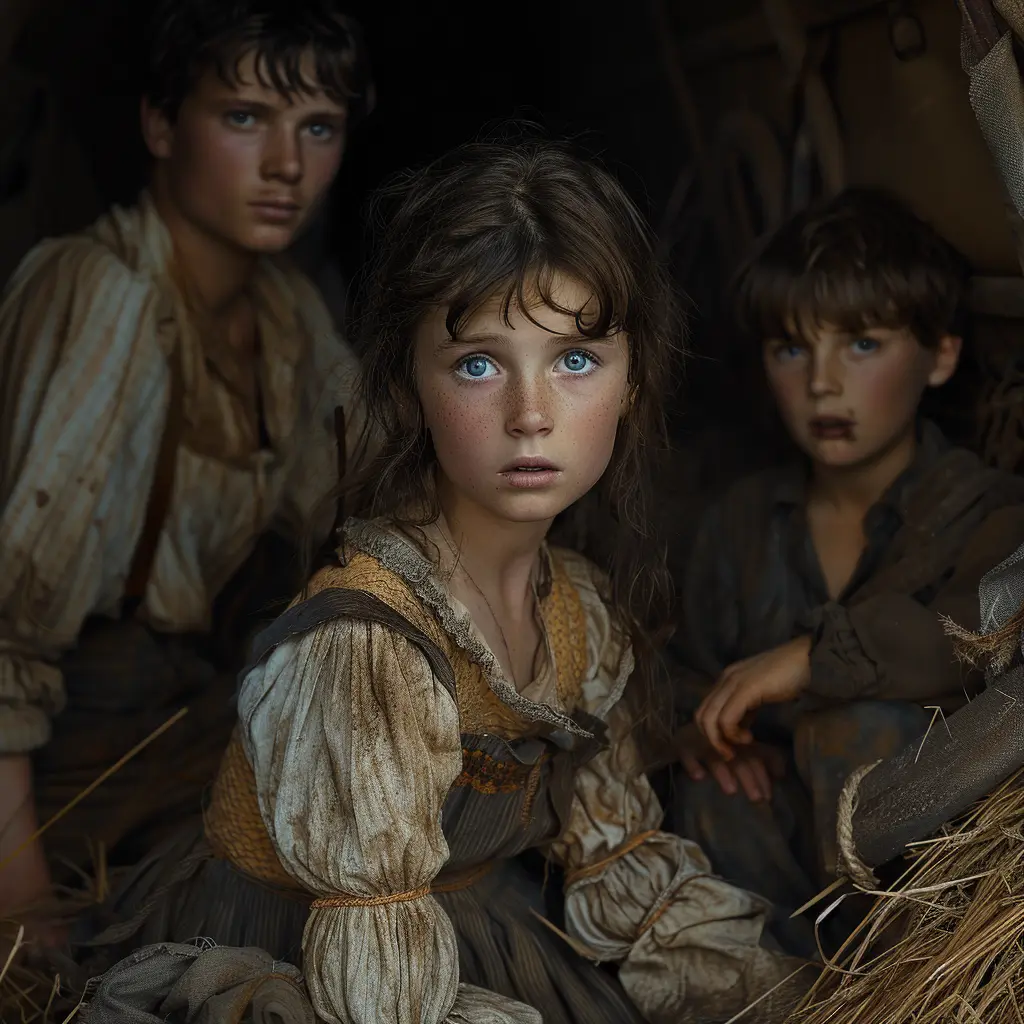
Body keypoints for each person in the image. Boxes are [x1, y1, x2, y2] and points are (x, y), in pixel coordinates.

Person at [76, 138, 811, 1024]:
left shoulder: (578, 613)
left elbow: (620, 865)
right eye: (477, 363)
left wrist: (781, 1000)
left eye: (575, 359)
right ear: (409, 384)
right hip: (321, 964)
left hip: (467, 927)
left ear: (633, 379)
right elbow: (376, 979)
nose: (531, 415)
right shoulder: (366, 643)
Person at [0, 0, 372, 932]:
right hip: (58, 767)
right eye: (244, 118)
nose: (287, 165)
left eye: (317, 127)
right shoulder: (102, 296)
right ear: (161, 124)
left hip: (185, 725)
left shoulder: (290, 321)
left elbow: (375, 525)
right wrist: (26, 920)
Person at [667, 188, 1024, 956]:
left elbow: (981, 634)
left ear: (942, 354)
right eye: (791, 348)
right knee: (714, 796)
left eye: (862, 344)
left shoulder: (986, 511)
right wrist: (708, 735)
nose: (822, 382)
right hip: (780, 869)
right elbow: (674, 671)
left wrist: (812, 661)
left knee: (859, 726)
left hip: (920, 887)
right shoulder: (739, 522)